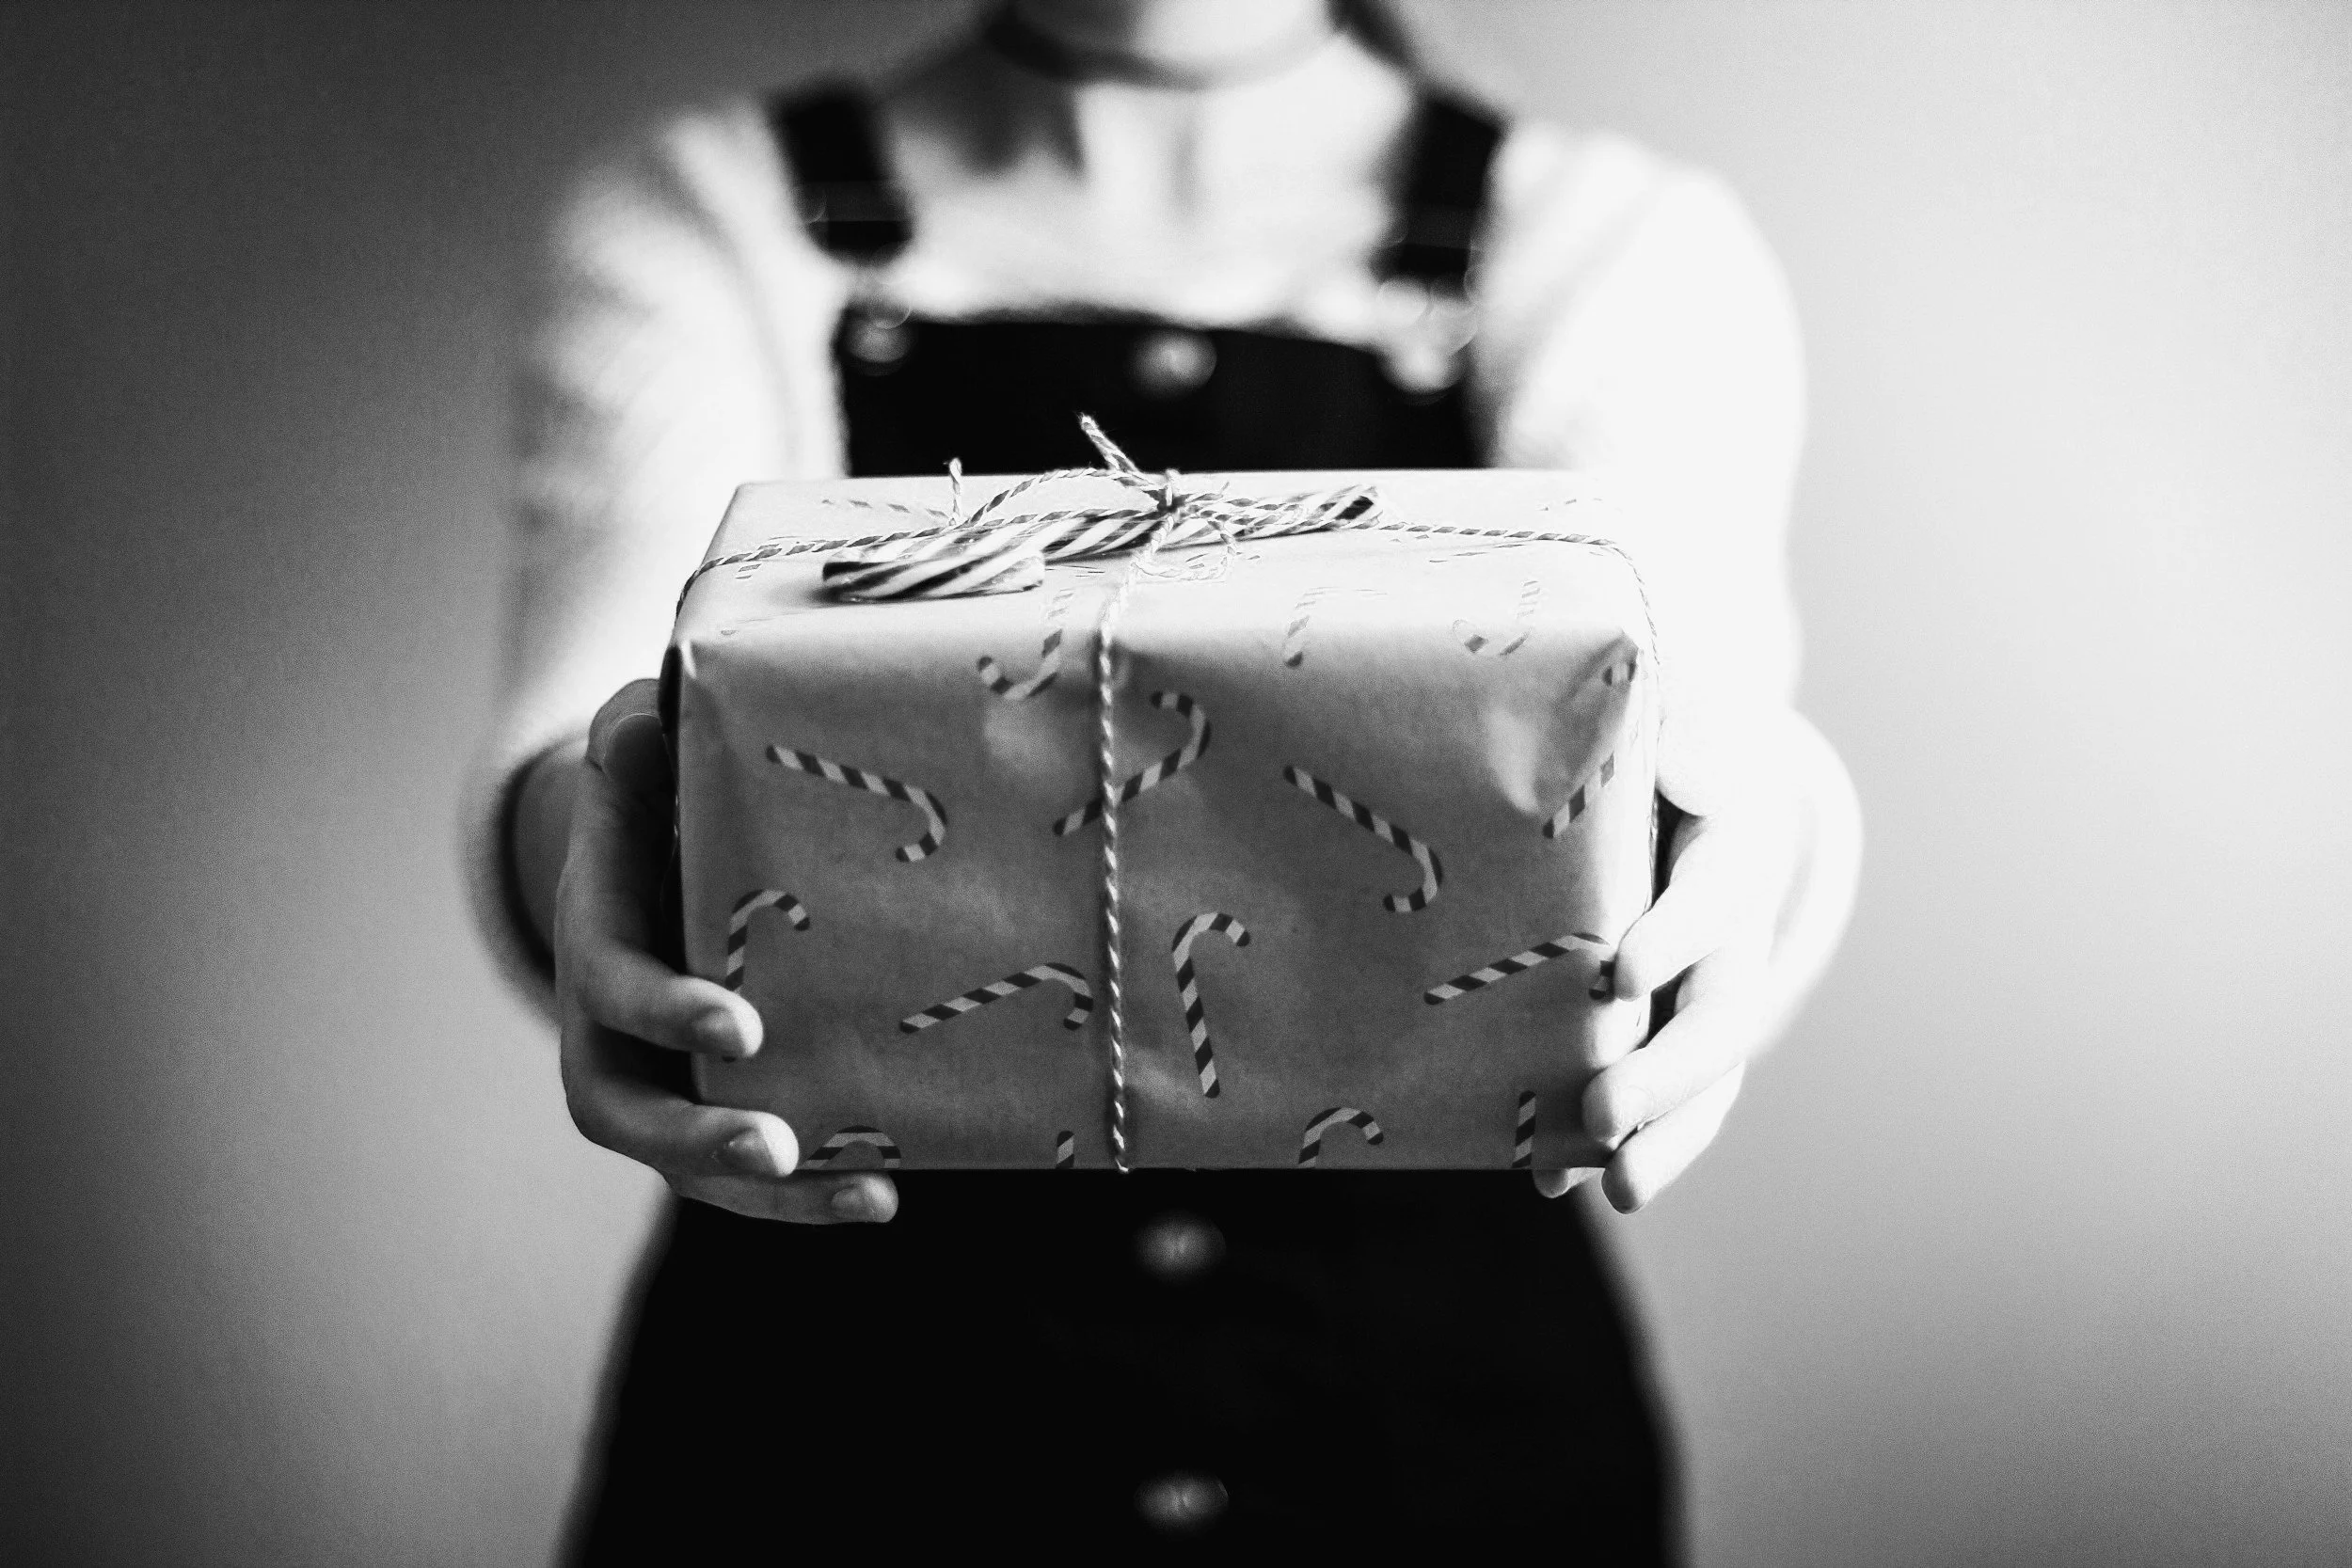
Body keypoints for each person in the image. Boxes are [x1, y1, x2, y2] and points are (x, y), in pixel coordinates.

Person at [465, 0, 1862, 1556]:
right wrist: (584, 844)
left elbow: (1710, 706)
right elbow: (603, 706)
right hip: (835, 1460)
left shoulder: (1611, 241)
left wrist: (1753, 837)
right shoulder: (708, 220)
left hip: (1441, 1461)